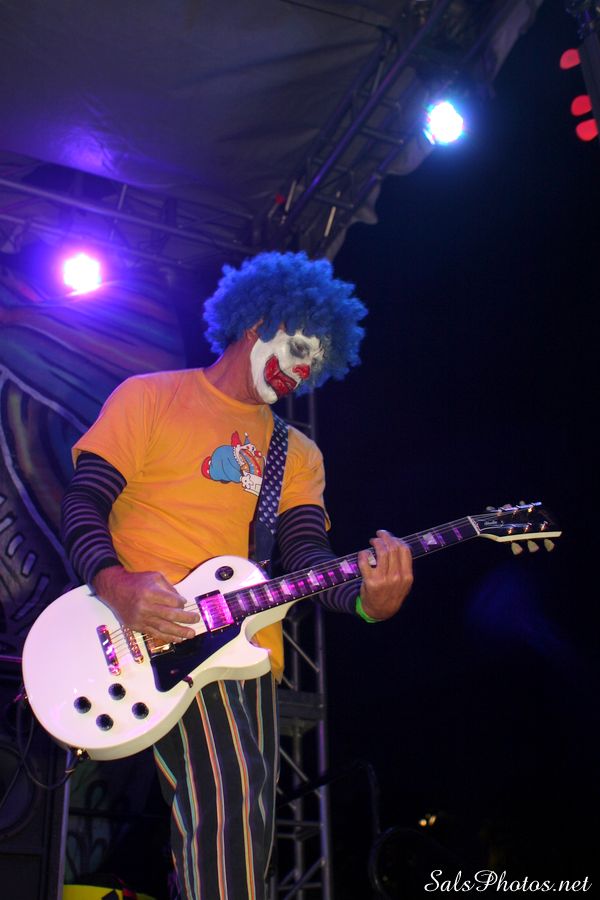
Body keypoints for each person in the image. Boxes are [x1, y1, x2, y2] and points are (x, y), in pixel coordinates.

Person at [61, 250, 414, 900]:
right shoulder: (150, 397)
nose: (302, 371)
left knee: (240, 817)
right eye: (300, 347)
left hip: (241, 652)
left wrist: (367, 600)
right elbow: (84, 502)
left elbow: (307, 558)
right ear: (258, 321)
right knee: (225, 798)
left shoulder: (298, 454)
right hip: (133, 629)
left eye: (315, 363)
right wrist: (116, 584)